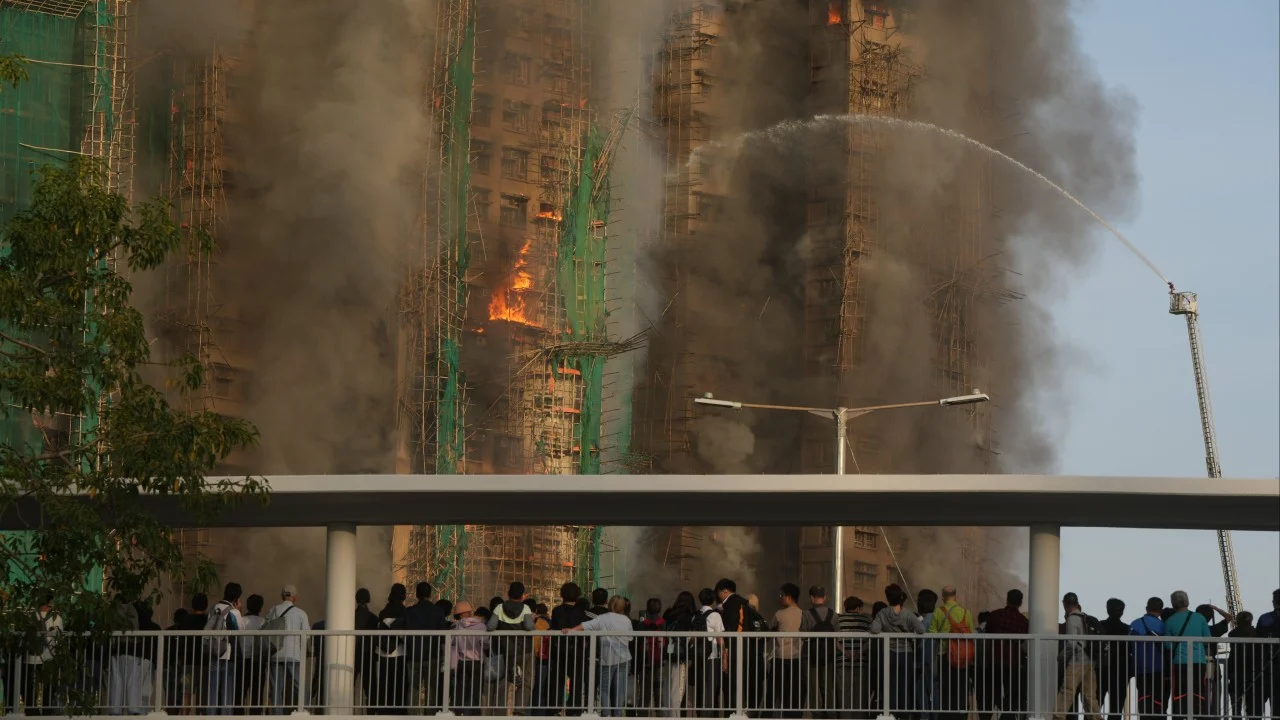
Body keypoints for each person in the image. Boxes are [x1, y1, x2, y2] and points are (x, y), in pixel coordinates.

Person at [566, 595, 633, 718]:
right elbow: (630, 637)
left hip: (607, 658)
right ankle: (618, 714)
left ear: (610, 604)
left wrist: (571, 630)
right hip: (624, 658)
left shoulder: (603, 618)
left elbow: (585, 625)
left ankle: (606, 714)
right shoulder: (626, 620)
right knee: (620, 689)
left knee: (604, 688)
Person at [869, 584, 924, 718]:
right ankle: (904, 715)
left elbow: (875, 629)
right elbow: (921, 630)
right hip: (906, 654)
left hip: (889, 654)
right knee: (905, 685)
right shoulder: (907, 614)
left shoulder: (882, 613)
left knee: (890, 686)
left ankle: (892, 715)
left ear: (887, 598)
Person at [926, 585, 976, 720]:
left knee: (945, 689)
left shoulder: (938, 611)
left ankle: (946, 716)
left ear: (942, 597)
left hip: (945, 656)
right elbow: (971, 634)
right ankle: (961, 716)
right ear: (956, 596)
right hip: (963, 658)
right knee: (961, 688)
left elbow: (931, 633)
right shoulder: (966, 612)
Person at [488, 581, 535, 713]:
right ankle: (519, 711)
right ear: (522, 596)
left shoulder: (499, 608)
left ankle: (501, 711)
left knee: (503, 680)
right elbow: (529, 627)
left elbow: (490, 626)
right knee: (526, 680)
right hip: (524, 649)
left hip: (504, 649)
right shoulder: (526, 608)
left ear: (508, 594)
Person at [1163, 590, 1211, 720]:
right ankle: (1199, 716)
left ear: (1173, 604)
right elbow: (1208, 639)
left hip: (1179, 662)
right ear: (1187, 601)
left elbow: (1168, 646)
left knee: (1179, 694)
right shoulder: (1199, 618)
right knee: (1199, 693)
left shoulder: (1169, 621)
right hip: (1199, 661)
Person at [402, 582, 449, 715]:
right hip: (432, 656)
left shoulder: (410, 611)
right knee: (431, 689)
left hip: (414, 656)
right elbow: (443, 634)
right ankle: (430, 715)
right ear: (430, 594)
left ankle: (412, 715)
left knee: (413, 688)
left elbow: (402, 628)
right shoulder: (438, 611)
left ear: (417, 594)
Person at [982, 589, 1029, 717]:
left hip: (994, 660)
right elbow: (1024, 640)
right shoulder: (1023, 621)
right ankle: (1007, 713)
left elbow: (988, 632)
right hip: (1013, 662)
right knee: (1012, 693)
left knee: (992, 692)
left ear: (1007, 599)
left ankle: (998, 709)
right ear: (1021, 603)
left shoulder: (995, 615)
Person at [1054, 592, 1101, 720]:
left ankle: (1058, 716)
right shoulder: (1084, 617)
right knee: (1090, 694)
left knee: (1067, 691)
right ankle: (1096, 717)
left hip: (1076, 661)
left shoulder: (1072, 618)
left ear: (1065, 603)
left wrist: (1061, 657)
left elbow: (1071, 643)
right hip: (1090, 661)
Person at [264, 585, 309, 714]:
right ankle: (303, 711)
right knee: (299, 686)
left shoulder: (273, 610)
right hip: (293, 655)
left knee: (276, 687)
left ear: (282, 596)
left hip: (275, 654)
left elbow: (265, 627)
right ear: (295, 597)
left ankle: (277, 714)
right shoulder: (301, 613)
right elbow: (307, 634)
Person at [205, 583, 245, 715]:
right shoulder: (233, 612)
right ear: (237, 597)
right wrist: (239, 610)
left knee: (213, 688)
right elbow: (241, 630)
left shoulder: (212, 608)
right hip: (228, 654)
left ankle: (210, 715)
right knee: (227, 689)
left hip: (212, 652)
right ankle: (225, 715)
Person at [550, 582, 590, 714]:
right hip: (577, 650)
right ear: (577, 596)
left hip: (559, 650)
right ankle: (574, 710)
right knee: (576, 682)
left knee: (557, 681)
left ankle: (554, 709)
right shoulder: (581, 613)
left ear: (562, 595)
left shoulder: (556, 611)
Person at [1128, 596, 1168, 720]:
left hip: (1141, 669)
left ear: (1146, 608)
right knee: (1159, 704)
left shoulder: (1135, 624)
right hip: (1160, 670)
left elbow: (1129, 646)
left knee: (1144, 700)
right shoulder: (1163, 626)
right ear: (1161, 611)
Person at [770, 583, 806, 718]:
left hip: (781, 658)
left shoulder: (779, 614)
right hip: (798, 659)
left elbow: (771, 628)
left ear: (789, 597)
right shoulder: (804, 614)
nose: (780, 598)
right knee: (796, 693)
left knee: (777, 692)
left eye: (782, 595)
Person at [372, 584, 409, 715]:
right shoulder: (405, 612)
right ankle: (399, 713)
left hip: (382, 654)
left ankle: (383, 712)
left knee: (384, 686)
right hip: (399, 653)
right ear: (403, 596)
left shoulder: (383, 612)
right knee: (399, 686)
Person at [451, 602, 490, 716]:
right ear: (468, 612)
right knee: (476, 690)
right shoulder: (481, 626)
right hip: (477, 662)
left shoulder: (457, 627)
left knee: (461, 690)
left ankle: (458, 713)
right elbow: (486, 644)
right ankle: (474, 714)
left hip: (462, 661)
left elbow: (453, 643)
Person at [805, 585, 838, 717]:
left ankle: (816, 712)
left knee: (813, 686)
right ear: (824, 597)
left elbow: (803, 633)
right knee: (828, 686)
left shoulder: (807, 614)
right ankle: (829, 712)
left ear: (811, 598)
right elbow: (837, 637)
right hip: (829, 656)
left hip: (812, 657)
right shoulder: (833, 615)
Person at [836, 596, 872, 719]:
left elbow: (835, 640)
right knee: (861, 695)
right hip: (861, 662)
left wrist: (846, 653)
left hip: (842, 662)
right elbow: (869, 641)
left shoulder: (838, 620)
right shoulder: (866, 620)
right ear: (858, 608)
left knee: (844, 694)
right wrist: (859, 652)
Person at [693, 588, 726, 719]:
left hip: (698, 655)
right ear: (712, 600)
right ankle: (709, 714)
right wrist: (724, 656)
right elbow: (719, 638)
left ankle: (700, 714)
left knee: (700, 686)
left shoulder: (695, 615)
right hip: (712, 656)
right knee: (711, 687)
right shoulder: (715, 615)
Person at [1225, 611, 1264, 719]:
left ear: (1238, 621)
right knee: (1252, 706)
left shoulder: (1232, 634)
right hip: (1253, 672)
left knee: (1236, 706)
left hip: (1236, 672)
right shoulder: (1257, 633)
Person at [665, 590, 698, 717]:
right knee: (678, 690)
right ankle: (675, 716)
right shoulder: (690, 617)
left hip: (668, 655)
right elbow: (691, 638)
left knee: (668, 688)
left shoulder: (669, 614)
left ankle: (667, 715)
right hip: (681, 657)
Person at [1098, 598, 1131, 720]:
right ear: (1122, 612)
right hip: (1121, 671)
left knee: (1095, 704)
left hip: (1101, 669)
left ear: (1107, 609)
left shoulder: (1099, 626)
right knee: (1116, 708)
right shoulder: (1127, 629)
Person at [238, 594, 268, 715]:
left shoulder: (242, 621)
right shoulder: (263, 623)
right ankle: (255, 715)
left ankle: (238, 715)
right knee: (257, 691)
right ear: (260, 608)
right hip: (258, 661)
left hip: (242, 660)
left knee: (240, 691)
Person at [637, 598, 667, 715]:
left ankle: (642, 716)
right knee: (659, 693)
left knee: (644, 694)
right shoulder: (664, 623)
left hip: (645, 661)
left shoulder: (641, 625)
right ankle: (660, 715)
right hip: (660, 662)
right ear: (660, 609)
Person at [354, 589, 380, 712]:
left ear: (356, 599)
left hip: (352, 655)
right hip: (369, 655)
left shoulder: (350, 616)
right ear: (369, 600)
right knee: (370, 688)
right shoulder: (373, 618)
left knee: (348, 684)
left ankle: (346, 712)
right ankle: (371, 713)